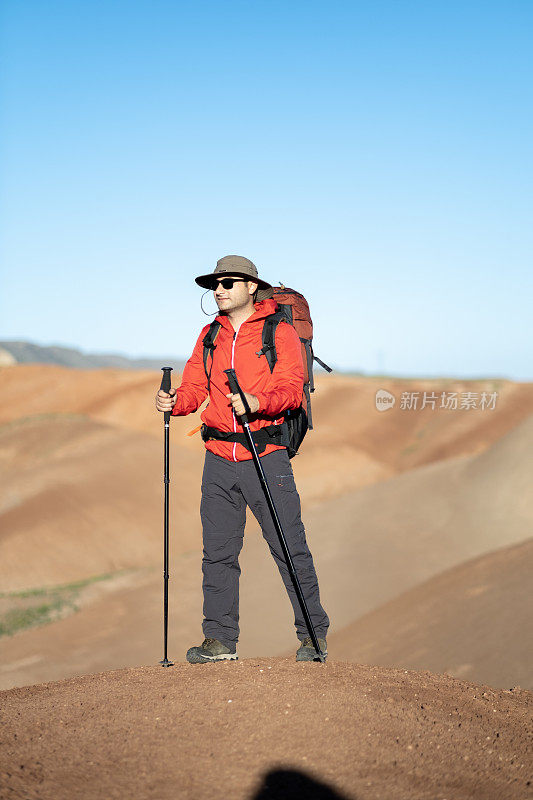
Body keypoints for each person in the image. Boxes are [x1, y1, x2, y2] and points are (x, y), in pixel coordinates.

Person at [155, 255, 329, 663]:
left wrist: (257, 401)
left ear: (251, 286)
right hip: (217, 457)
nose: (219, 289)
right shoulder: (210, 334)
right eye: (214, 284)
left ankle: (313, 636)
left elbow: (292, 385)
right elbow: (195, 387)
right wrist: (174, 401)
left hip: (265, 454)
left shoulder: (278, 331)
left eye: (228, 282)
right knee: (217, 552)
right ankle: (219, 641)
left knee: (289, 548)